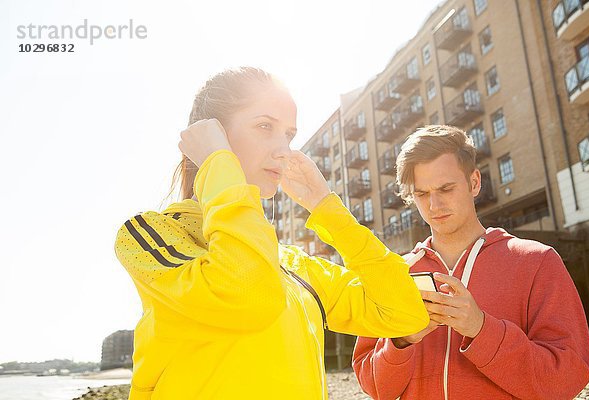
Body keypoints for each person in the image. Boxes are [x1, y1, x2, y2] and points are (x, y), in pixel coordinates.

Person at [114, 67, 430, 399]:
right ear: (210, 136)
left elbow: (405, 313)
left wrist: (326, 208)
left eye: (289, 135)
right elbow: (249, 298)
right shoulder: (151, 235)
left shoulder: (292, 264)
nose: (284, 150)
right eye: (265, 126)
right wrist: (219, 164)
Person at [353, 125, 589, 400]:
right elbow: (376, 388)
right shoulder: (394, 274)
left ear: (474, 182)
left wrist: (481, 329)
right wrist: (401, 341)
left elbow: (566, 378)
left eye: (446, 188)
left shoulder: (537, 262)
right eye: (421, 194)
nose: (434, 205)